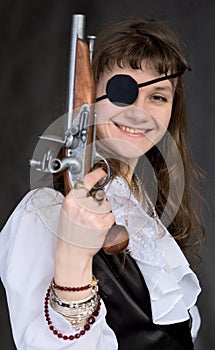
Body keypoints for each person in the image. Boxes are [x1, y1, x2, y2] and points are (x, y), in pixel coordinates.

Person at [0, 17, 204, 350]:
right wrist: (73, 256)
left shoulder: (140, 201)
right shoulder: (44, 212)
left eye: (158, 97)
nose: (140, 112)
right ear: (90, 98)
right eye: (123, 91)